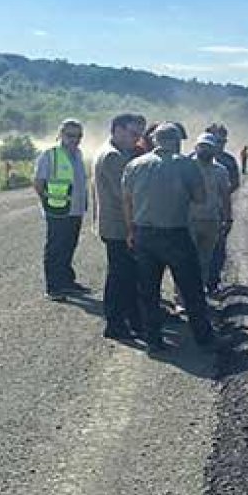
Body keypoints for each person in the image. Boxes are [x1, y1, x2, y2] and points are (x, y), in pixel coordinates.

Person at [122, 122, 229, 353]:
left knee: (149, 290)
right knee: (191, 288)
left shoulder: (134, 165)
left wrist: (131, 231)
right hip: (175, 233)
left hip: (143, 234)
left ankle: (153, 340)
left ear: (155, 141)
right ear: (176, 142)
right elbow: (200, 198)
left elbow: (127, 200)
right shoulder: (186, 165)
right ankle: (204, 337)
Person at [94, 113, 147, 339]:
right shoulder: (113, 157)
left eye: (139, 135)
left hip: (118, 224)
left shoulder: (117, 152)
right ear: (117, 129)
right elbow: (124, 194)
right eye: (133, 134)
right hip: (118, 225)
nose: (137, 139)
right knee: (120, 276)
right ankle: (115, 324)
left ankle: (131, 320)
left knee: (126, 275)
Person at [33, 119, 90, 301]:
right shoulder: (50, 155)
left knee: (69, 246)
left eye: (78, 136)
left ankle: (67, 282)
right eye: (70, 135)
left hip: (75, 210)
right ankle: (54, 287)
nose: (75, 139)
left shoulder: (78, 154)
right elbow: (38, 182)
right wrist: (48, 203)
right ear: (61, 135)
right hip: (57, 211)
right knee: (56, 249)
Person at [188, 133, 233, 295]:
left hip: (211, 220)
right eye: (202, 146)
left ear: (215, 150)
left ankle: (199, 294)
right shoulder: (186, 166)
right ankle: (181, 298)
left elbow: (225, 196)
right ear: (196, 147)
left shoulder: (220, 170)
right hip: (188, 221)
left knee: (205, 260)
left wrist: (228, 219)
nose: (205, 150)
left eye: (209, 147)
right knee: (186, 261)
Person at [205, 124, 240, 294]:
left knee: (218, 248)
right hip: (196, 213)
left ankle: (213, 282)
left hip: (218, 211)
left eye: (223, 141)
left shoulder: (228, 161)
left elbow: (235, 183)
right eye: (217, 140)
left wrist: (220, 195)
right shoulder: (191, 159)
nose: (220, 144)